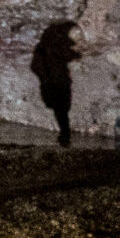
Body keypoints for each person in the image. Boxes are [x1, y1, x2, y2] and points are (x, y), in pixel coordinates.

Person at [30, 18, 80, 146]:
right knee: (61, 108)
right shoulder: (54, 45)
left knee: (60, 108)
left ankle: (65, 134)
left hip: (53, 81)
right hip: (57, 81)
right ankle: (65, 135)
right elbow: (69, 54)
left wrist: (44, 78)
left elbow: (35, 66)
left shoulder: (43, 47)